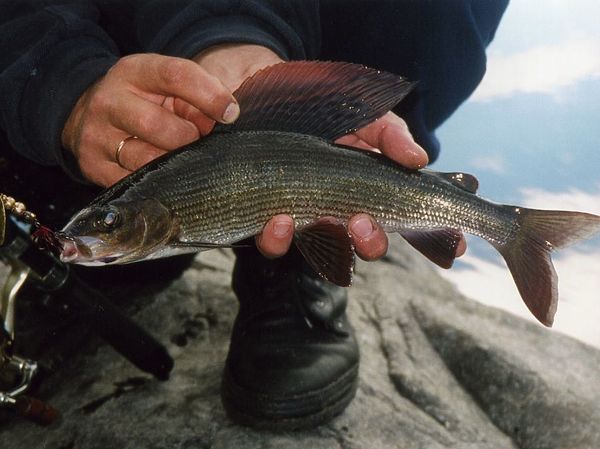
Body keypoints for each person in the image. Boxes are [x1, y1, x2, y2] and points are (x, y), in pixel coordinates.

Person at [0, 0, 508, 430]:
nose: (104, 227)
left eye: (109, 222)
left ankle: (296, 262)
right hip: (71, 70)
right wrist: (63, 85)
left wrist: (239, 42)